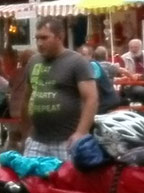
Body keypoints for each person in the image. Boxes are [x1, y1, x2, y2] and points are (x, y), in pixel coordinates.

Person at [17, 17, 97, 160]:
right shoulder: (34, 61)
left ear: (60, 37)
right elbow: (27, 98)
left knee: (67, 181)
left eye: (44, 38)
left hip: (66, 140)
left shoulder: (77, 62)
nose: (40, 43)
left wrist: (81, 132)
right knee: (29, 181)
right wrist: (24, 133)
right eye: (37, 38)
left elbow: (91, 99)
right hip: (37, 140)